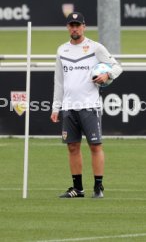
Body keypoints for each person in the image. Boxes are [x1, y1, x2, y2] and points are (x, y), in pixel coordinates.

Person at [50, 12, 123, 198]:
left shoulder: (95, 47)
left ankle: (98, 187)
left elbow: (117, 66)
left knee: (95, 146)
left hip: (90, 106)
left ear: (84, 26)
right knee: (72, 147)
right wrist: (56, 107)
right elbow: (59, 81)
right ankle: (78, 188)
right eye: (71, 25)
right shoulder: (61, 50)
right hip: (68, 107)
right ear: (68, 27)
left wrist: (108, 75)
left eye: (78, 25)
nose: (74, 28)